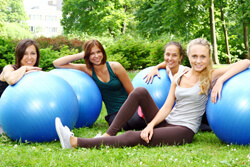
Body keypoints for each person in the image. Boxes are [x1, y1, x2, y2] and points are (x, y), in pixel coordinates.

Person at [55, 38, 250, 149]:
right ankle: (108, 134)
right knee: (140, 91)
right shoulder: (179, 76)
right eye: (195, 56)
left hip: (184, 129)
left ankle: (75, 142)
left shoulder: (210, 74)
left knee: (135, 136)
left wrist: (221, 80)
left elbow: (245, 63)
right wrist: (151, 125)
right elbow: (166, 106)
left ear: (208, 58)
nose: (198, 60)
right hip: (168, 121)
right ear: (188, 57)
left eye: (203, 57)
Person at [53, 39, 146, 131]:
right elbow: (57, 63)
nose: (96, 56)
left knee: (135, 122)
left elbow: (132, 93)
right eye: (91, 53)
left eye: (98, 52)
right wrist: (82, 54)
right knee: (121, 126)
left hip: (130, 108)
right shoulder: (87, 69)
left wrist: (129, 111)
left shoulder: (115, 67)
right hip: (114, 113)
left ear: (103, 53)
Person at [144, 41, 211, 132]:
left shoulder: (185, 72)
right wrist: (155, 68)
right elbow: (167, 63)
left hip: (192, 112)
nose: (170, 58)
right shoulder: (170, 71)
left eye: (175, 55)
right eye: (167, 54)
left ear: (181, 58)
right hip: (177, 114)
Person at [0, 38, 42, 134]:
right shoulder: (9, 68)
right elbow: (11, 80)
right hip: (3, 116)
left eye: (33, 53)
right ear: (19, 55)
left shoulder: (34, 73)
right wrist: (24, 68)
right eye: (25, 53)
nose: (29, 57)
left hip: (20, 116)